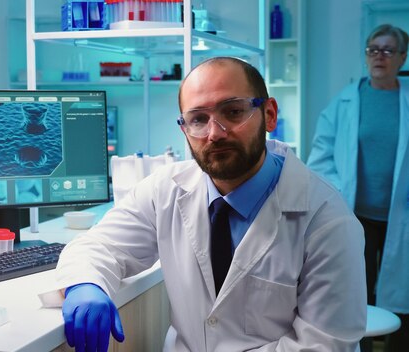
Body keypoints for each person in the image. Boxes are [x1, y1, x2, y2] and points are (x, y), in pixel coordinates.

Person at [53, 57, 367, 351]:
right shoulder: (165, 190)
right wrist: (85, 284)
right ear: (184, 129)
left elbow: (323, 344)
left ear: (269, 114)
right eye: (199, 119)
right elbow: (99, 245)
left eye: (233, 111)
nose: (215, 133)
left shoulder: (327, 220)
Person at [307, 23, 409, 352]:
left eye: (388, 50)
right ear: (366, 56)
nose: (380, 56)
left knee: (403, 294)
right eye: (373, 50)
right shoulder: (345, 103)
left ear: (402, 58)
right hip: (356, 216)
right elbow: (320, 158)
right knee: (354, 294)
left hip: (402, 218)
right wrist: (341, 190)